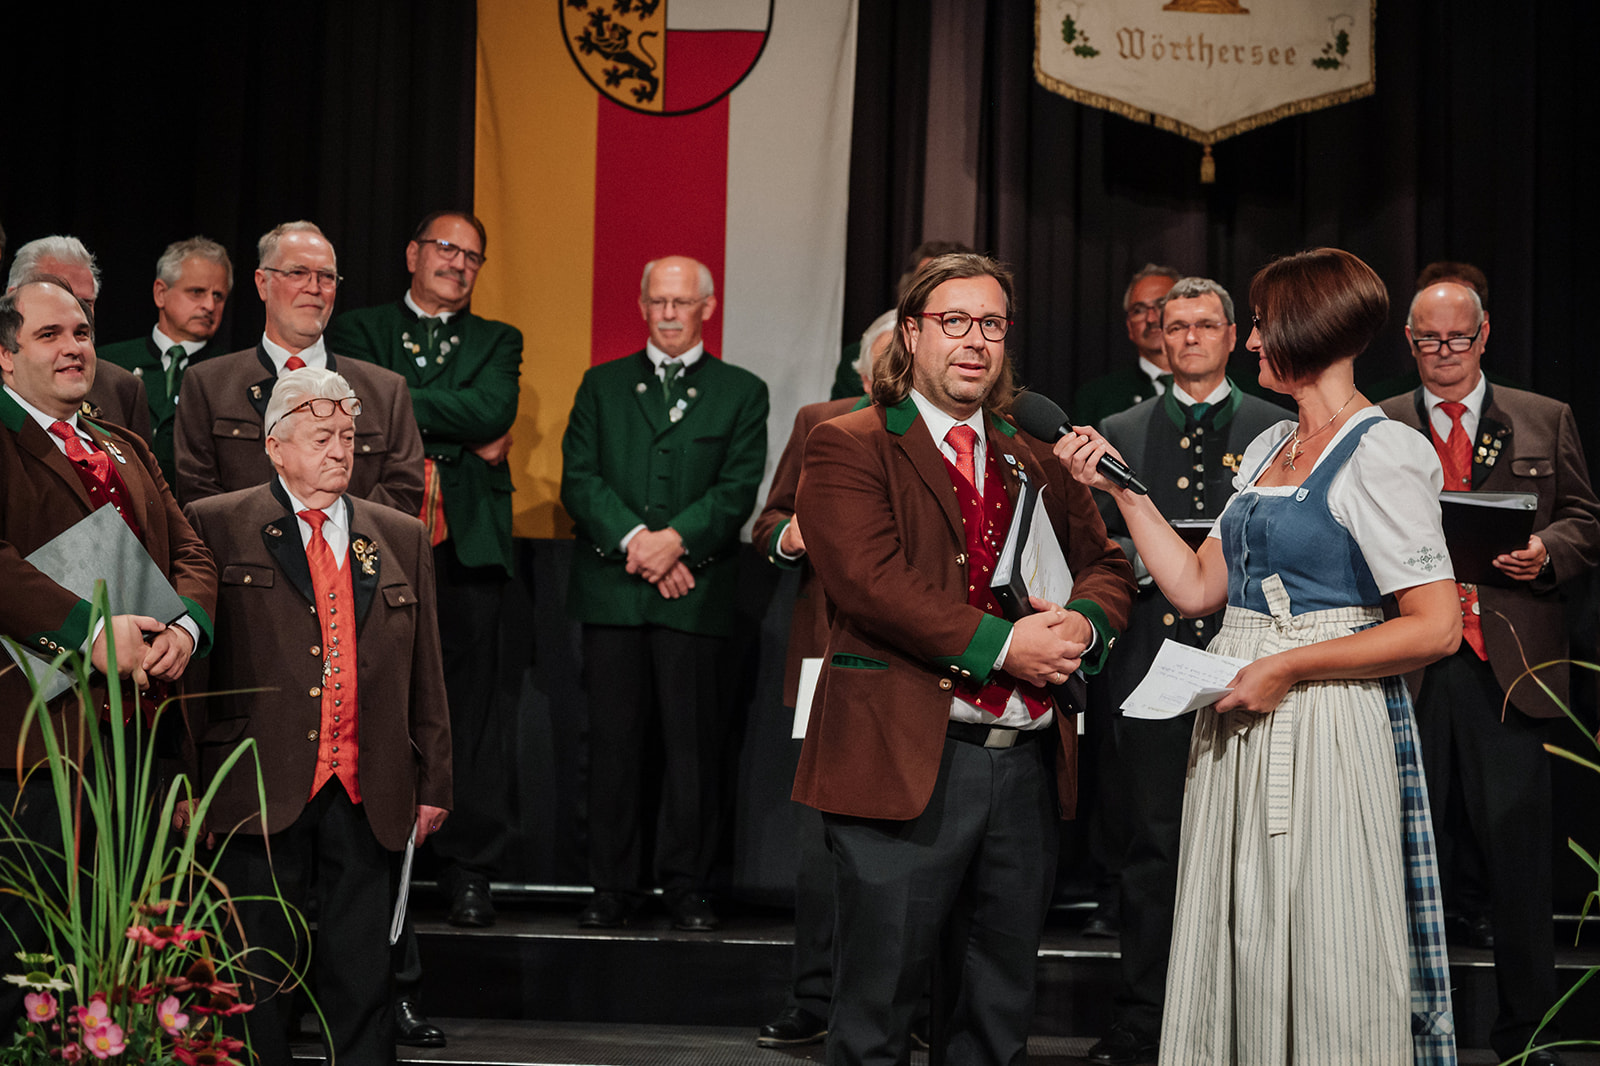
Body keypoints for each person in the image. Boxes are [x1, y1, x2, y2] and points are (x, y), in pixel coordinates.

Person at [1057, 247, 1462, 1066]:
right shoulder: (1276, 441)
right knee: (1237, 921)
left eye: (1264, 325)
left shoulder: (1383, 450)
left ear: (1310, 329)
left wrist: (1287, 667)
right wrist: (1123, 489)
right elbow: (1198, 587)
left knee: (1321, 925)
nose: (1250, 343)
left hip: (1322, 715)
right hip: (1239, 708)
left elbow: (1435, 627)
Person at [794, 253, 1136, 1065]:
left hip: (1023, 767)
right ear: (912, 334)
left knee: (994, 1016)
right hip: (903, 758)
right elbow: (870, 583)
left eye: (991, 324)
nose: (974, 341)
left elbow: (1107, 566)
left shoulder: (1035, 450)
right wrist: (1008, 645)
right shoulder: (849, 443)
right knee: (876, 1015)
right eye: (954, 321)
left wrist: (1083, 626)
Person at [183, 367, 452, 1066]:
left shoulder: (398, 534)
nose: (340, 451)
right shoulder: (217, 523)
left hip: (367, 785)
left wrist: (435, 781)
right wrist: (183, 782)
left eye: (348, 437)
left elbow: (426, 669)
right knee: (253, 975)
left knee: (363, 974)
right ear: (275, 447)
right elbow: (194, 673)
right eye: (321, 437)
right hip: (256, 784)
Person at [1379, 281, 1600, 1066]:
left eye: (1457, 339)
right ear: (1409, 340)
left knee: (1517, 863)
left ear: (1484, 336)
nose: (1443, 354)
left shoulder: (1543, 417)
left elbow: (1584, 519)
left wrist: (1547, 551)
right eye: (1427, 340)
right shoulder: (1380, 424)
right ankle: (1403, 1032)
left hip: (1509, 665)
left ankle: (1527, 1037)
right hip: (1412, 661)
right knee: (1407, 859)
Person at [0, 277, 217, 1023]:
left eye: (83, 333)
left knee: (131, 957)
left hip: (140, 744)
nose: (74, 349)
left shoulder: (123, 443)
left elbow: (191, 552)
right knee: (30, 965)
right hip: (32, 751)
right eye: (49, 335)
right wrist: (88, 634)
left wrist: (185, 630)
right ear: (5, 355)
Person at [1084, 276, 1284, 1066]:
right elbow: (1093, 544)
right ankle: (1145, 1014)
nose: (1190, 337)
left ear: (1234, 336)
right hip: (1149, 660)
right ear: (1157, 339)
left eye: (1205, 324)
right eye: (1176, 326)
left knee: (1252, 843)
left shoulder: (1277, 425)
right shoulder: (1120, 429)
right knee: (1152, 845)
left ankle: (1246, 1011)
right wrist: (1155, 559)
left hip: (1249, 651)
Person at [560, 255, 768, 932]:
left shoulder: (742, 391)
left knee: (693, 750)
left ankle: (688, 886)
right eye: (658, 301)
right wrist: (639, 545)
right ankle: (611, 885)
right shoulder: (601, 384)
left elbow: (737, 489)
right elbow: (580, 479)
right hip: (613, 593)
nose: (669, 313)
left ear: (708, 307)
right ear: (643, 306)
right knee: (612, 748)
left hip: (696, 594)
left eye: (682, 302)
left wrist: (675, 542)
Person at [750, 310, 887, 1049]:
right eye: (882, 360)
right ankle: (812, 996)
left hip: (922, 665)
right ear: (861, 371)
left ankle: (904, 1005)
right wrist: (790, 534)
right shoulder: (820, 421)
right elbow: (767, 522)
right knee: (818, 842)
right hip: (825, 655)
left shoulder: (958, 437)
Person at [174, 221, 424, 512]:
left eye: (326, 277)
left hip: (350, 542)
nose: (314, 288)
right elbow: (197, 496)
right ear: (262, 283)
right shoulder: (208, 384)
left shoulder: (385, 392)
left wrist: (331, 532)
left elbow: (403, 492)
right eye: (297, 273)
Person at [97, 237, 234, 482]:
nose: (210, 305)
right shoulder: (107, 361)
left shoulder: (231, 372)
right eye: (197, 292)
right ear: (161, 293)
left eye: (218, 296)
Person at [7, 235, 151, 441]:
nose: (74, 311)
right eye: (57, 297)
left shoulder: (123, 388)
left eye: (85, 303)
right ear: (13, 299)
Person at [1071, 263, 1180, 430]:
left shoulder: (1220, 386)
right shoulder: (1096, 399)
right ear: (1129, 327)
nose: (1151, 319)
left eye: (1161, 305)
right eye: (1139, 310)